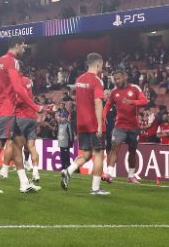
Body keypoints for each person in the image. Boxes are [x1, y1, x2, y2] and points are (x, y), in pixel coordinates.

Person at [0, 38, 41, 194]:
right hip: (7, 109)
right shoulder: (13, 62)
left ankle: (24, 183)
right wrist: (35, 106)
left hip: (1, 108)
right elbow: (18, 88)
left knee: (17, 143)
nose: (24, 49)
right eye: (23, 46)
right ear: (17, 45)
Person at [59, 53, 108, 196]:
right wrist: (100, 125)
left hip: (81, 123)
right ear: (98, 64)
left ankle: (68, 171)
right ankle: (95, 188)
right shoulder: (97, 81)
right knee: (98, 154)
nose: (102, 66)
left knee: (86, 154)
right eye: (102, 64)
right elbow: (97, 103)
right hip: (93, 123)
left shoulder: (79, 80)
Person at [103, 70, 148, 183]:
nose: (116, 81)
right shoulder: (114, 92)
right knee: (115, 147)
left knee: (132, 151)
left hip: (133, 126)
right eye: (115, 79)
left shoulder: (135, 88)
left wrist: (132, 102)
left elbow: (144, 101)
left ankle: (131, 176)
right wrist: (103, 115)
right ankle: (109, 173)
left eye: (118, 78)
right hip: (119, 126)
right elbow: (108, 104)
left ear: (125, 77)